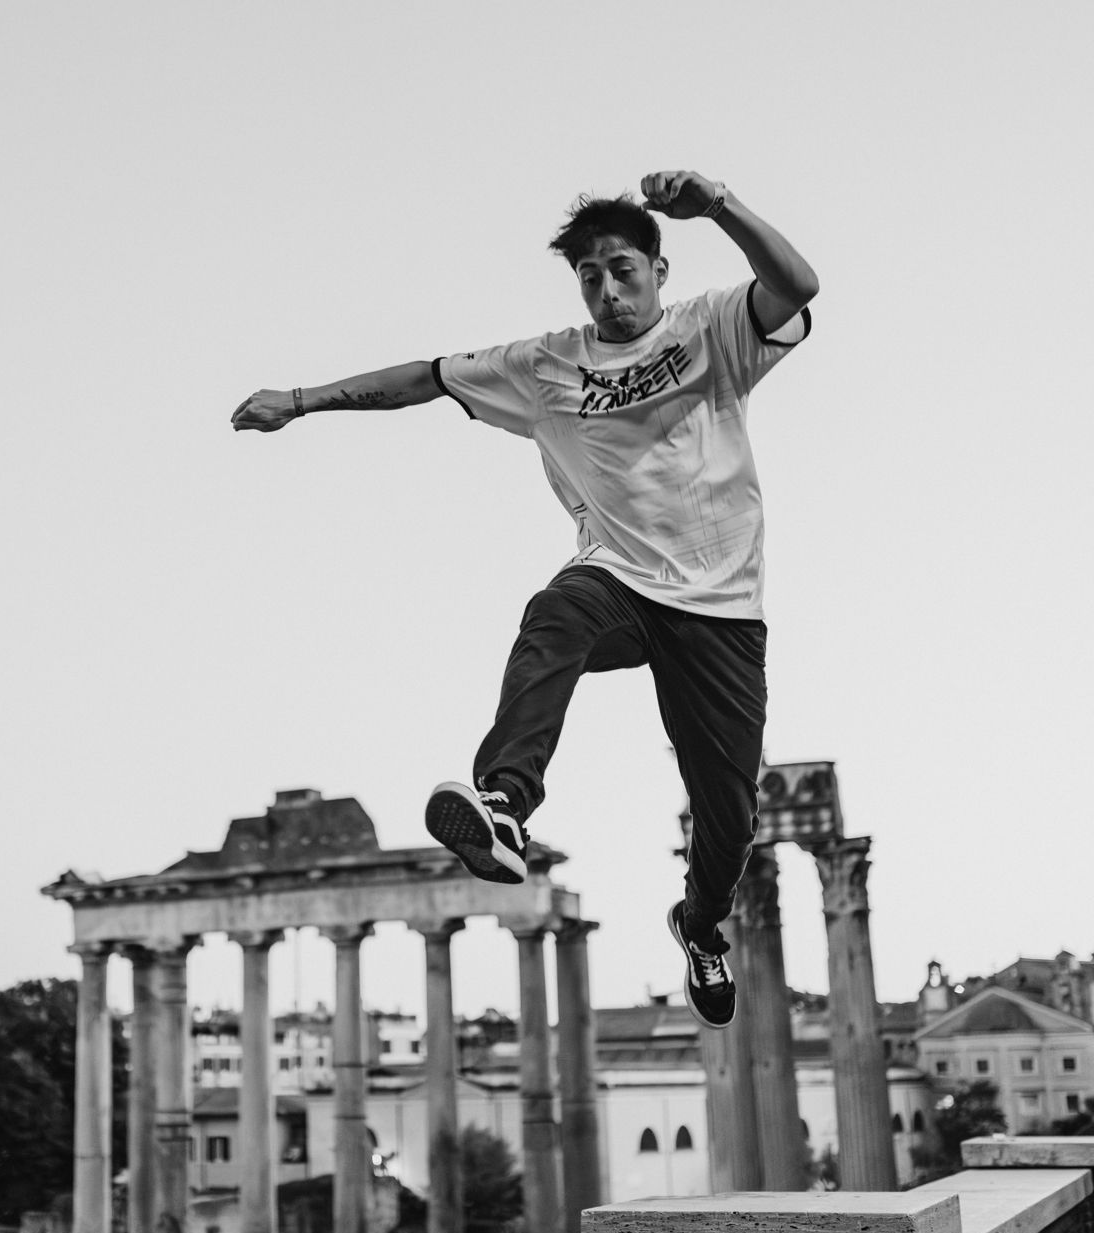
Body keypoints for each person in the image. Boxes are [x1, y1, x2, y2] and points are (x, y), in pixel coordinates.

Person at [230, 168, 818, 1028]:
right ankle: (504, 805)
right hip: (618, 580)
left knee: (727, 820)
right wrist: (302, 400)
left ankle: (698, 925)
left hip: (722, 610)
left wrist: (720, 205)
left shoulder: (715, 329)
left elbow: (797, 286)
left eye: (624, 270)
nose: (608, 292)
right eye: (590, 277)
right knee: (554, 616)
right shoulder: (547, 367)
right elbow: (426, 376)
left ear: (659, 269)